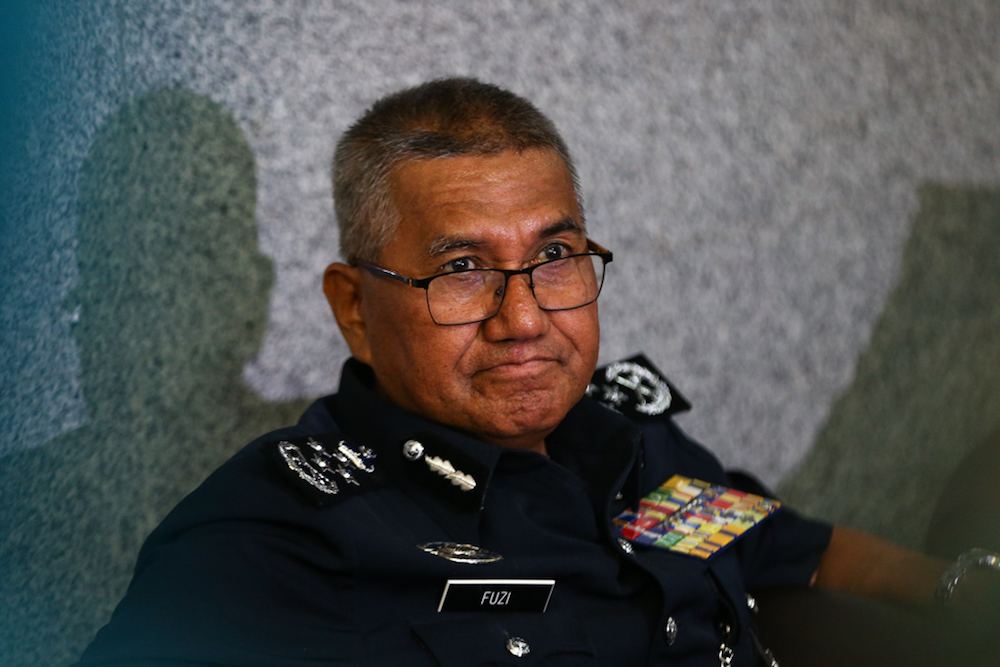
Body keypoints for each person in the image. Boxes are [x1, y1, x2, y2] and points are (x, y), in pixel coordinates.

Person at [75, 78, 994, 667]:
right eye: (462, 269)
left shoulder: (629, 445)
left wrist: (960, 586)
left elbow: (783, 542)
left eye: (555, 253)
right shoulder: (275, 539)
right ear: (355, 308)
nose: (526, 320)